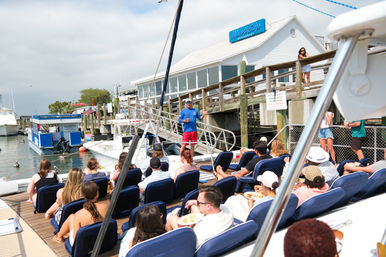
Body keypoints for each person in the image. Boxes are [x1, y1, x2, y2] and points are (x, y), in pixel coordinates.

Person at [166, 185, 233, 248]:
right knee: (193, 207)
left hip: (189, 243)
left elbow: (189, 244)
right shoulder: (227, 210)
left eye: (199, 203)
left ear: (208, 206)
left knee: (172, 218)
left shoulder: (201, 230)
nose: (198, 204)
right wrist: (195, 202)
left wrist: (190, 227)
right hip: (219, 231)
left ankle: (169, 239)